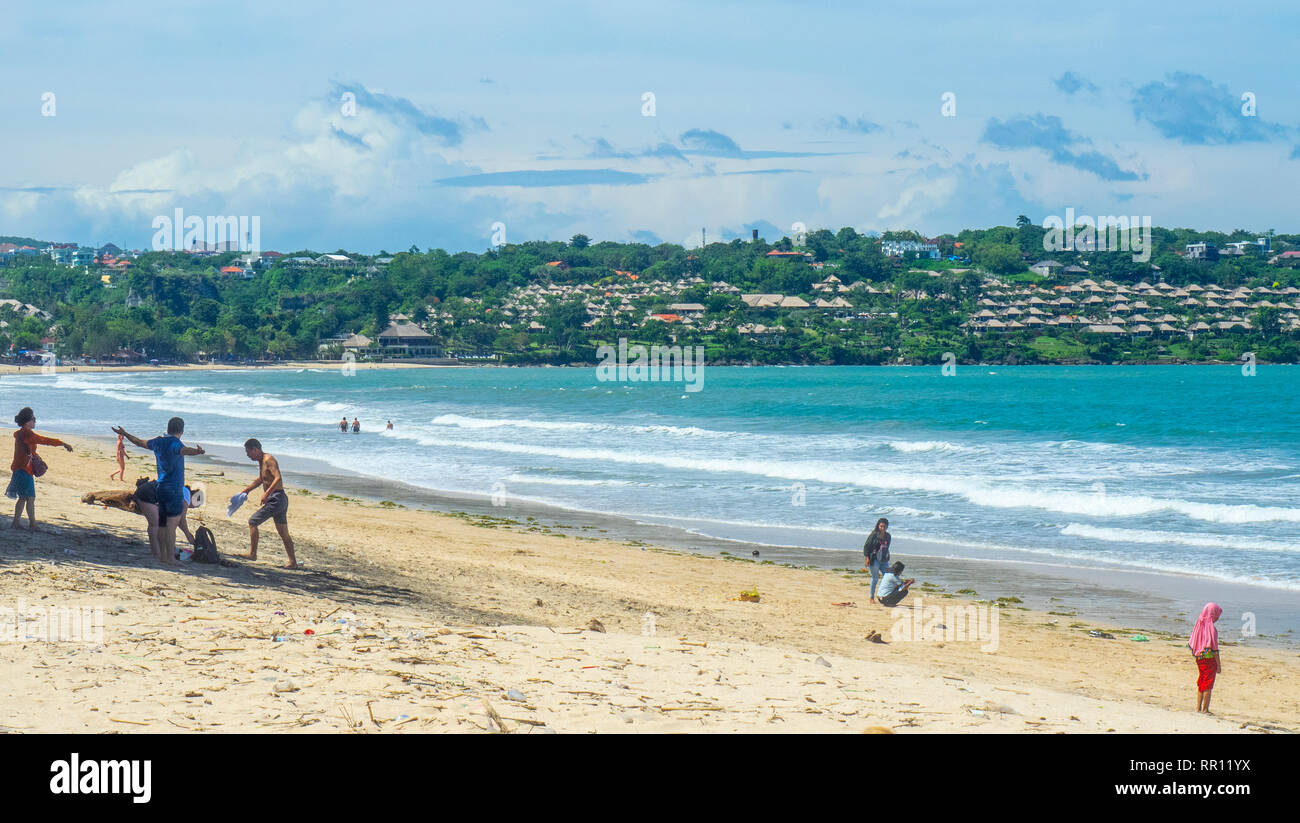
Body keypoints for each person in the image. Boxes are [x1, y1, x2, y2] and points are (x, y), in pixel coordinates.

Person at [112, 418, 204, 568]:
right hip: (173, 488)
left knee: (162, 524)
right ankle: (169, 558)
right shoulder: (175, 443)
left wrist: (125, 433)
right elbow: (184, 451)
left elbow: (138, 442)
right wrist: (197, 452)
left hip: (161, 486)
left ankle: (162, 556)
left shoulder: (158, 441)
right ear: (181, 431)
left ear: (168, 428)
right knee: (171, 526)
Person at [7, 407, 72, 531]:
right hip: (24, 470)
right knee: (30, 498)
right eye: (33, 419)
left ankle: (17, 523)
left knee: (23, 498)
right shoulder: (27, 434)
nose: (34, 421)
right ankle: (32, 524)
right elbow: (44, 440)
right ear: (27, 421)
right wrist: (62, 443)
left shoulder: (21, 433)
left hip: (20, 469)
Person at [237, 439, 297, 569]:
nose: (248, 456)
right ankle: (293, 562)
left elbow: (278, 478)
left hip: (277, 498)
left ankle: (253, 554)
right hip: (279, 499)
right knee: (283, 533)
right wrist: (247, 490)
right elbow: (262, 479)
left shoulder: (268, 460)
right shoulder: (261, 461)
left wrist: (266, 493)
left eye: (248, 453)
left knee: (253, 521)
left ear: (255, 450)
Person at [133, 478, 198, 561]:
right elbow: (182, 519)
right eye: (196, 505)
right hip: (149, 493)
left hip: (146, 491)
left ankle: (157, 552)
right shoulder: (186, 495)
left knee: (157, 524)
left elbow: (176, 520)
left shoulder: (181, 490)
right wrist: (188, 535)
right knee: (155, 525)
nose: (194, 507)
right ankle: (157, 554)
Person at [1189, 602, 1223, 714]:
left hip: (1199, 658)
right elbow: (1215, 650)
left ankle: (1198, 708)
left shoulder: (1199, 625)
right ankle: (1205, 709)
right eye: (1217, 615)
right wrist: (1218, 665)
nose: (1217, 618)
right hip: (1209, 660)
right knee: (1208, 684)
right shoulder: (1211, 629)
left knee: (1202, 682)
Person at [862, 517, 892, 604]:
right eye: (881, 526)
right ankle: (871, 597)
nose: (883, 528)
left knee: (887, 576)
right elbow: (866, 546)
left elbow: (886, 548)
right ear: (878, 526)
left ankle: (884, 595)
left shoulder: (888, 536)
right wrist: (867, 558)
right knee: (875, 578)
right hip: (874, 559)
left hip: (883, 559)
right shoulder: (873, 535)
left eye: (885, 527)